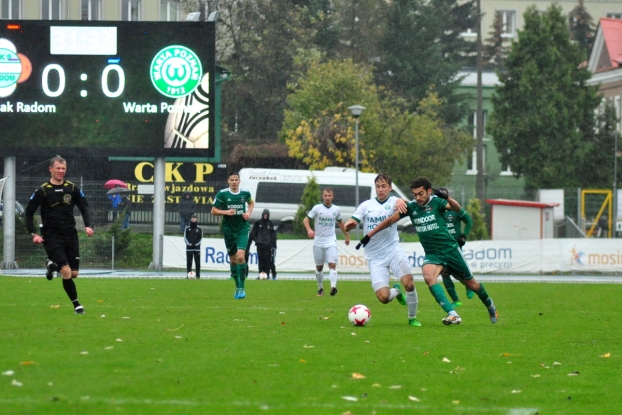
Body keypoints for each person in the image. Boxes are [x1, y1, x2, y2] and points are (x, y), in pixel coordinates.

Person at [360, 177, 498, 325]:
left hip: (450, 250)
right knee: (428, 276)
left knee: (473, 285)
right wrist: (369, 234)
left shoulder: (437, 202)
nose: (418, 198)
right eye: (415, 195)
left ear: (429, 191)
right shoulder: (412, 207)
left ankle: (490, 305)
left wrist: (448, 198)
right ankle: (453, 314)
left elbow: (457, 209)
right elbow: (390, 221)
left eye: (421, 194)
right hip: (433, 254)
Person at [343, 174, 421, 326]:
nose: (380, 189)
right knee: (384, 298)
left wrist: (399, 200)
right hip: (375, 257)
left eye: (384, 186)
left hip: (393, 251)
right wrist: (349, 225)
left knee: (409, 283)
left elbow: (404, 203)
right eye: (378, 186)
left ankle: (412, 318)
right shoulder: (366, 205)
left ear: (390, 188)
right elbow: (352, 221)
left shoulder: (393, 201)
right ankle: (396, 292)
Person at [25, 156, 94, 314]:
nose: (61, 171)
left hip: (70, 234)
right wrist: (33, 233)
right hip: (51, 235)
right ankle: (77, 305)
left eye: (63, 168)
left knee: (74, 273)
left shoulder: (72, 188)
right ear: (51, 169)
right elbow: (28, 213)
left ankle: (51, 266)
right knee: (66, 271)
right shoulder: (42, 190)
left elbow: (84, 208)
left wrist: (89, 226)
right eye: (58, 168)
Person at [211, 172, 254, 299]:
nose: (234, 182)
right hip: (229, 230)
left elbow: (251, 203)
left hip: (242, 228)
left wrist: (248, 212)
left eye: (236, 179)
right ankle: (237, 286)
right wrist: (226, 212)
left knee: (241, 257)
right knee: (233, 260)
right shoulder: (222, 194)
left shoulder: (245, 193)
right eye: (232, 180)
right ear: (228, 181)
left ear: (239, 181)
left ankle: (242, 287)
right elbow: (213, 210)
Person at [303, 188, 351, 296]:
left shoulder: (336, 209)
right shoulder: (317, 208)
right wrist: (309, 230)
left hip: (331, 241)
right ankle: (320, 288)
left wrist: (347, 236)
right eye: (325, 195)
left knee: (332, 264)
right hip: (318, 241)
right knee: (319, 267)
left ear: (332, 197)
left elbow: (340, 223)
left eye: (329, 195)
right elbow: (305, 220)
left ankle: (333, 286)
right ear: (322, 196)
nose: (327, 198)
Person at [441, 206, 474, 305]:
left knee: (456, 272)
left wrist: (464, 235)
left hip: (455, 245)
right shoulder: (437, 211)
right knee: (444, 272)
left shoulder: (456, 210)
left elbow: (469, 222)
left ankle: (469, 285)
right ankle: (456, 300)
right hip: (442, 245)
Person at [248, 209, 277, 279]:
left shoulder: (270, 223)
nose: (265, 216)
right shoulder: (258, 222)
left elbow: (273, 235)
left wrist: (273, 244)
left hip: (268, 246)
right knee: (260, 260)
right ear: (262, 215)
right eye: (264, 215)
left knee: (268, 260)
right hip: (260, 245)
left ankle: (267, 275)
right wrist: (256, 240)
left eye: (267, 215)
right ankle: (260, 274)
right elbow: (253, 232)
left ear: (268, 215)